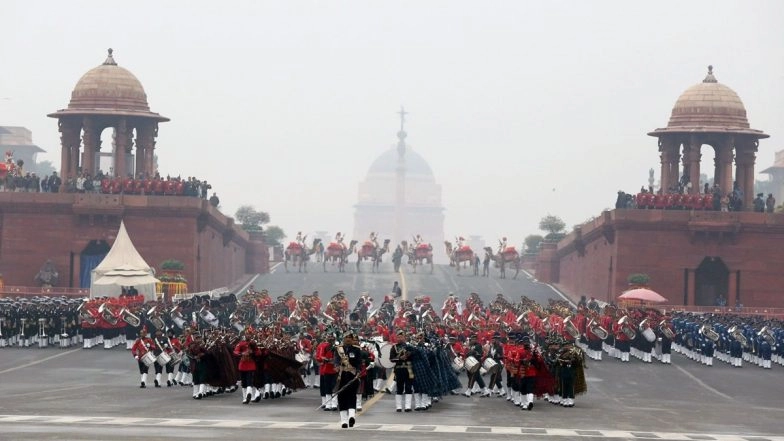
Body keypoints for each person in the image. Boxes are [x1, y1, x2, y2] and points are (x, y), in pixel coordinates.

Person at [334, 331, 368, 428]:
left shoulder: (357, 350)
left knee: (352, 396)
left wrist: (357, 372)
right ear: (344, 338)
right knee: (341, 397)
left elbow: (358, 363)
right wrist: (336, 366)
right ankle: (344, 421)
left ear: (352, 339)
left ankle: (351, 417)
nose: (348, 339)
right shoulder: (338, 349)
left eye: (350, 338)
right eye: (347, 337)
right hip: (341, 376)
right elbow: (336, 360)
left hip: (352, 376)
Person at [389, 329, 415, 412]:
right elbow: (391, 359)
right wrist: (400, 358)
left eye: (401, 337)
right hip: (399, 369)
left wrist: (409, 355)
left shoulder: (409, 346)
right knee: (399, 387)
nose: (400, 339)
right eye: (398, 337)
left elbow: (414, 356)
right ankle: (398, 406)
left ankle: (408, 406)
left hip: (409, 369)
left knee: (408, 387)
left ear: (404, 337)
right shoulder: (394, 347)